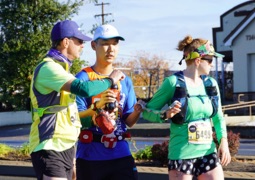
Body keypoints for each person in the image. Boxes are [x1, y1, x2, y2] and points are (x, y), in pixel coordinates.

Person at [29, 20, 125, 180]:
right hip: (49, 145)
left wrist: (97, 109)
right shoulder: (48, 68)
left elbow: (70, 112)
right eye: (79, 41)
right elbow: (84, 89)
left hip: (66, 147)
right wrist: (110, 80)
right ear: (66, 42)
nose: (82, 45)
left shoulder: (62, 69)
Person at [142, 35, 231, 180]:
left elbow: (218, 116)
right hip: (182, 155)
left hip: (208, 153)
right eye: (210, 60)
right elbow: (147, 112)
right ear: (198, 60)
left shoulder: (211, 84)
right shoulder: (173, 83)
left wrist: (223, 142)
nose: (212, 64)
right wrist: (166, 114)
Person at [75, 24, 143, 180]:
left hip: (121, 154)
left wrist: (138, 111)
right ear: (94, 45)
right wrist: (97, 112)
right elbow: (76, 118)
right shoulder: (83, 78)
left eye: (115, 43)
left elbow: (128, 121)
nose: (110, 49)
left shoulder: (124, 80)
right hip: (90, 156)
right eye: (105, 43)